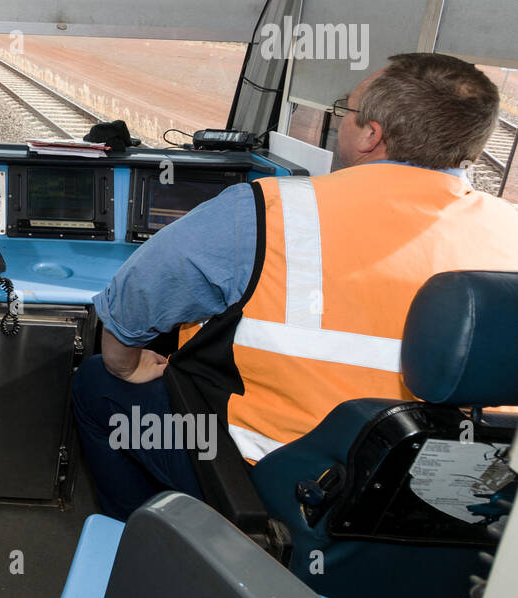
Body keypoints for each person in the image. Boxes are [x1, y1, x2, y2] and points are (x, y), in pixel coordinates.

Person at [73, 52, 518, 519]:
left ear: (371, 135)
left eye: (346, 109)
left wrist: (125, 366)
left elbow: (135, 298)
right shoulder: (507, 230)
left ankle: (144, 538)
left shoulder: (268, 210)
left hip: (274, 480)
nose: (340, 121)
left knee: (97, 384)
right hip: (446, 493)